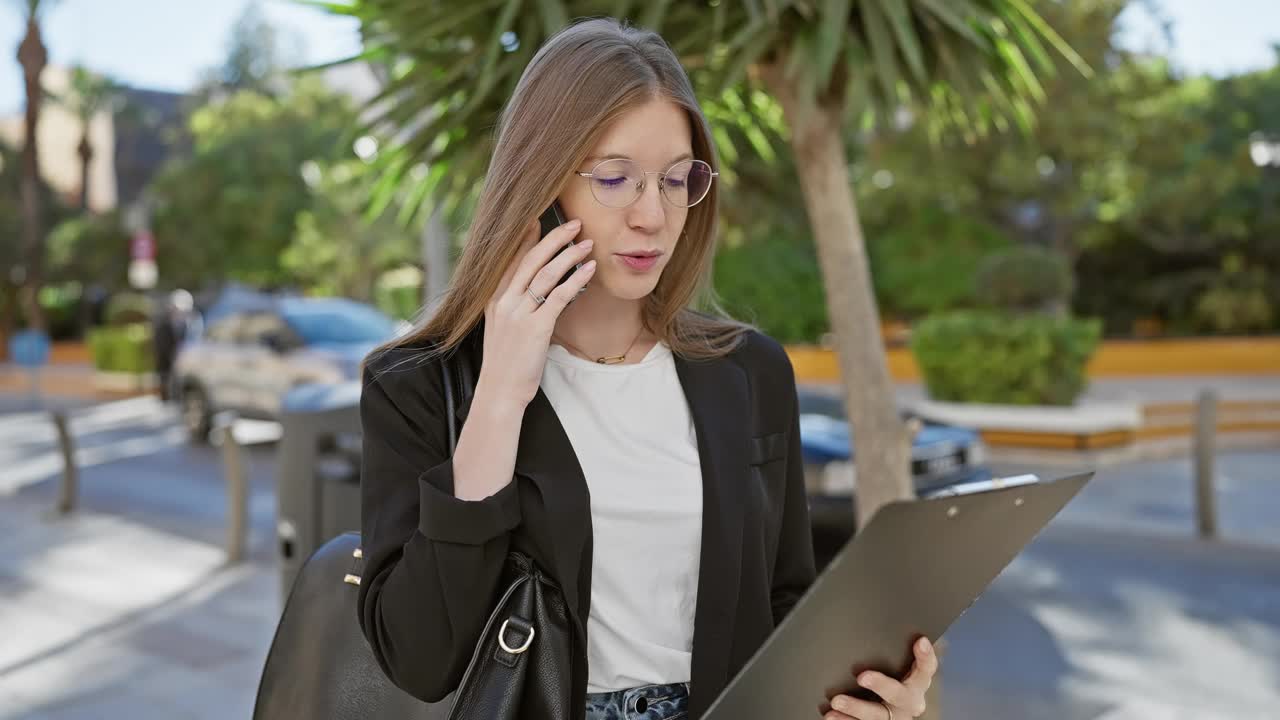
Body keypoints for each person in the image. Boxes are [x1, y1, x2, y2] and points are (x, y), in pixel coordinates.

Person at [357, 18, 936, 720]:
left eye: (676, 179)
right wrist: (503, 394)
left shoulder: (749, 372)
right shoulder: (419, 384)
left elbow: (780, 601)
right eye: (614, 178)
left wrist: (862, 694)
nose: (653, 216)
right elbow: (420, 658)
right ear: (541, 187)